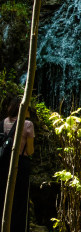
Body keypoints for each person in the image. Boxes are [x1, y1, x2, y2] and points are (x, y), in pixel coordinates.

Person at [0, 97, 34, 232]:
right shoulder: (28, 124)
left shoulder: (2, 123)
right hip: (20, 166)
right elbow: (30, 151)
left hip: (3, 166)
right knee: (21, 202)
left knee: (3, 199)